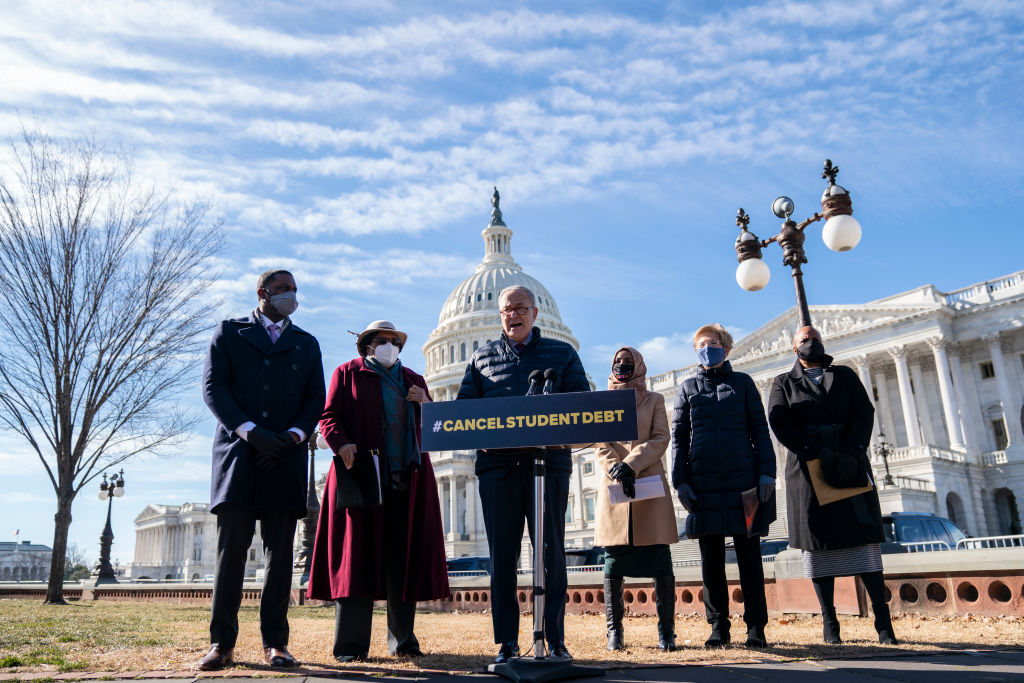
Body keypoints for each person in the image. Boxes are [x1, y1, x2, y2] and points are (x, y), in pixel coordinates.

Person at [199, 269, 326, 670]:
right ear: (262, 293)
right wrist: (251, 432)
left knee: (280, 556)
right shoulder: (229, 332)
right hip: (239, 453)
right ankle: (222, 643)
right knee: (230, 554)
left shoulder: (306, 343)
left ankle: (276, 643)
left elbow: (314, 398)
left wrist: (291, 436)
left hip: (285, 457)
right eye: (282, 289)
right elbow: (213, 388)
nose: (290, 295)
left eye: (293, 289)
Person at [456, 285, 589, 663]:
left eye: (519, 308)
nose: (512, 315)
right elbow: (465, 409)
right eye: (506, 310)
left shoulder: (561, 354)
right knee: (502, 558)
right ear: (500, 317)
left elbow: (580, 402)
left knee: (551, 555)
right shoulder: (481, 358)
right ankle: (507, 643)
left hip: (548, 466)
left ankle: (555, 638)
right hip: (498, 469)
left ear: (534, 312)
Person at [307, 321, 449, 662]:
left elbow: (438, 429)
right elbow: (328, 417)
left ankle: (403, 642)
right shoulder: (347, 373)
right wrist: (341, 444)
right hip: (362, 475)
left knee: (403, 563)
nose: (388, 345)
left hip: (407, 480)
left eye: (393, 341)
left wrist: (427, 403)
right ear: (367, 345)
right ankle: (351, 647)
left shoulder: (415, 379)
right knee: (355, 563)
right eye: (381, 341)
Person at [767, 325, 897, 645]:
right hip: (809, 472)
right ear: (794, 349)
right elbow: (779, 422)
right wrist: (814, 450)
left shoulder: (845, 375)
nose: (811, 344)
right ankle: (830, 622)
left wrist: (853, 450)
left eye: (815, 339)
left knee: (864, 543)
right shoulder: (783, 383)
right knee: (819, 547)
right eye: (804, 340)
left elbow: (863, 413)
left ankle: (883, 623)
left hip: (849, 464)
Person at [671, 323, 776, 649]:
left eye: (713, 343)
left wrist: (766, 473)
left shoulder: (743, 384)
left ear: (726, 349)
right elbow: (679, 439)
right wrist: (680, 481)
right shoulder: (687, 389)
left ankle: (756, 627)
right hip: (703, 484)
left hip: (744, 480)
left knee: (750, 559)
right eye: (701, 344)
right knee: (710, 561)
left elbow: (760, 429)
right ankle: (718, 626)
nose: (707, 348)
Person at [594, 347, 678, 652]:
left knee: (659, 559)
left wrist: (631, 464)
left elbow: (660, 438)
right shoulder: (602, 402)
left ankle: (666, 632)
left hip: (648, 487)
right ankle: (614, 633)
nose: (621, 366)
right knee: (613, 561)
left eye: (627, 362)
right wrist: (617, 469)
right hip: (616, 487)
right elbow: (599, 442)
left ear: (638, 366)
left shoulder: (655, 400)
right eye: (617, 362)